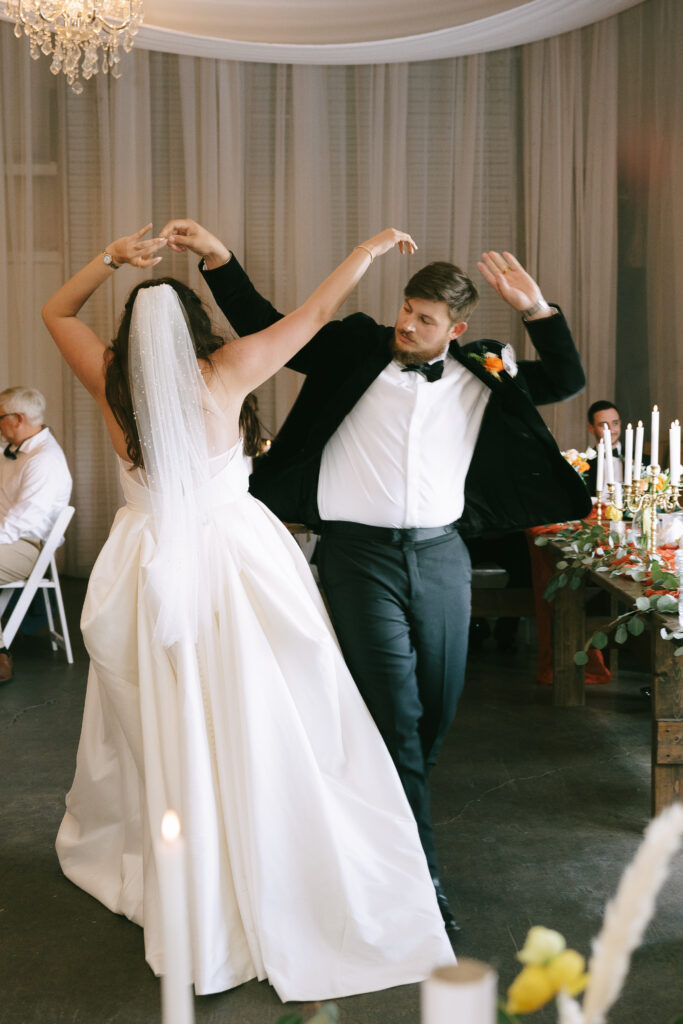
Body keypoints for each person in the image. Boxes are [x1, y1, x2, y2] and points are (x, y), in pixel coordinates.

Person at [42, 224, 455, 1001]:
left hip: (143, 563)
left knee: (167, 713)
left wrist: (107, 259)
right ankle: (263, 847)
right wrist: (362, 255)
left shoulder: (110, 377)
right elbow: (310, 313)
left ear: (130, 333)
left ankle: (190, 866)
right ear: (198, 327)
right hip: (232, 560)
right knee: (264, 704)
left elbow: (55, 313)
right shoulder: (227, 368)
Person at [159, 219, 593, 932]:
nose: (406, 324)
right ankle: (417, 877)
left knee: (436, 704)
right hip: (357, 559)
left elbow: (567, 380)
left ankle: (370, 809)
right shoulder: (356, 346)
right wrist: (216, 259)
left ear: (454, 330)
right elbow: (270, 323)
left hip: (441, 555)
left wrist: (535, 310)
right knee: (395, 714)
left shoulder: (482, 370)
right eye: (405, 310)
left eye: (423, 320)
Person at [0, 386, 72, 684]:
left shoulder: (44, 460)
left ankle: (1, 653)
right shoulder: (12, 448)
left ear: (17, 419)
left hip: (27, 545)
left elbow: (20, 523)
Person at [586, 400, 623, 492]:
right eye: (604, 425)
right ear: (591, 428)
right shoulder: (582, 465)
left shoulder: (644, 460)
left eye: (615, 423)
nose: (611, 429)